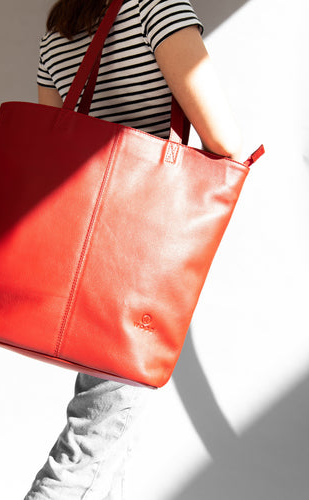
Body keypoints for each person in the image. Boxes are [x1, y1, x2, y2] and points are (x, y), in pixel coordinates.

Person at [24, 1, 242, 499]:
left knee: (108, 436)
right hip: (140, 255)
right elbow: (222, 137)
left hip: (85, 251)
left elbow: (53, 147)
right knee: (90, 445)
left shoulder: (60, 27)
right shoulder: (159, 8)